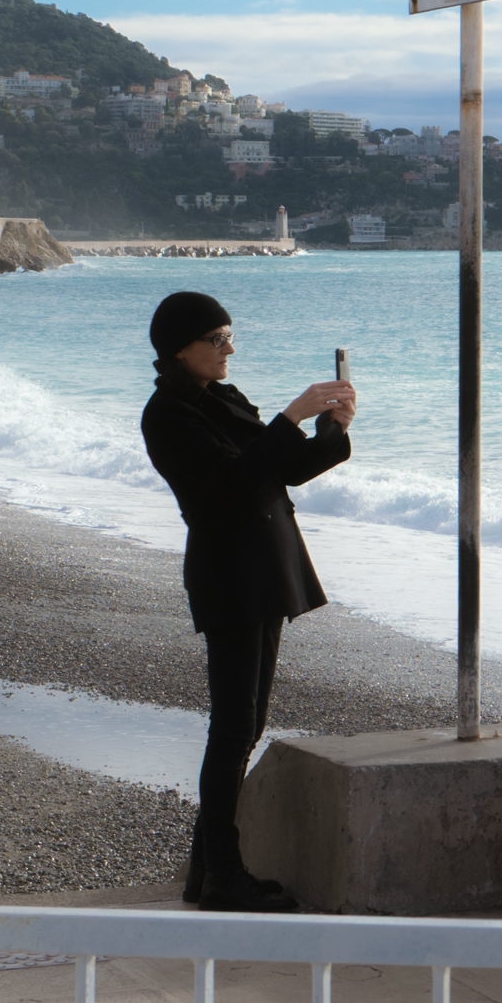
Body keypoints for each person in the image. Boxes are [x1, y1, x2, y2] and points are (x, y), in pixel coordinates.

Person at [140, 290, 357, 911]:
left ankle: (206, 869)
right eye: (217, 339)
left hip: (265, 568)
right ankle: (223, 877)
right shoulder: (166, 415)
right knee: (234, 726)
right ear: (180, 348)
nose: (229, 349)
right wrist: (291, 415)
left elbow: (281, 470)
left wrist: (330, 429)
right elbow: (231, 485)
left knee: (247, 724)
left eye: (230, 336)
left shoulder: (222, 396)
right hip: (228, 574)